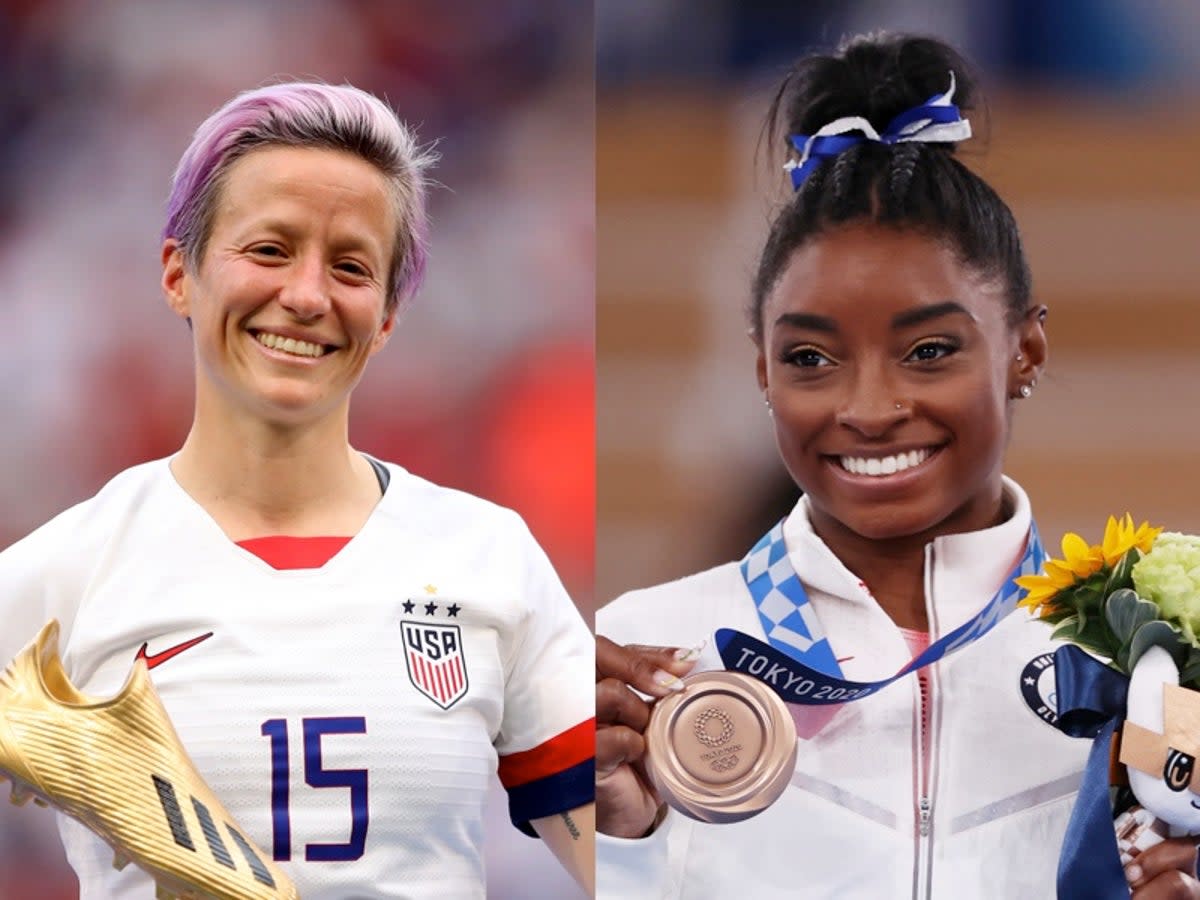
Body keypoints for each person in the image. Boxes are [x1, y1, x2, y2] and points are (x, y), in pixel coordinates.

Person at [595, 33, 1200, 899]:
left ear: (1025, 350)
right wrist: (610, 844)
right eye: (810, 358)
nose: (869, 408)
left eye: (927, 350)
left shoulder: (1148, 661)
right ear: (762, 371)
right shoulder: (649, 656)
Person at [0, 80, 594, 899]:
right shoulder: (56, 577)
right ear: (180, 273)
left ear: (386, 316)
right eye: (269, 250)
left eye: (351, 266)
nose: (308, 297)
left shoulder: (489, 559)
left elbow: (624, 865)